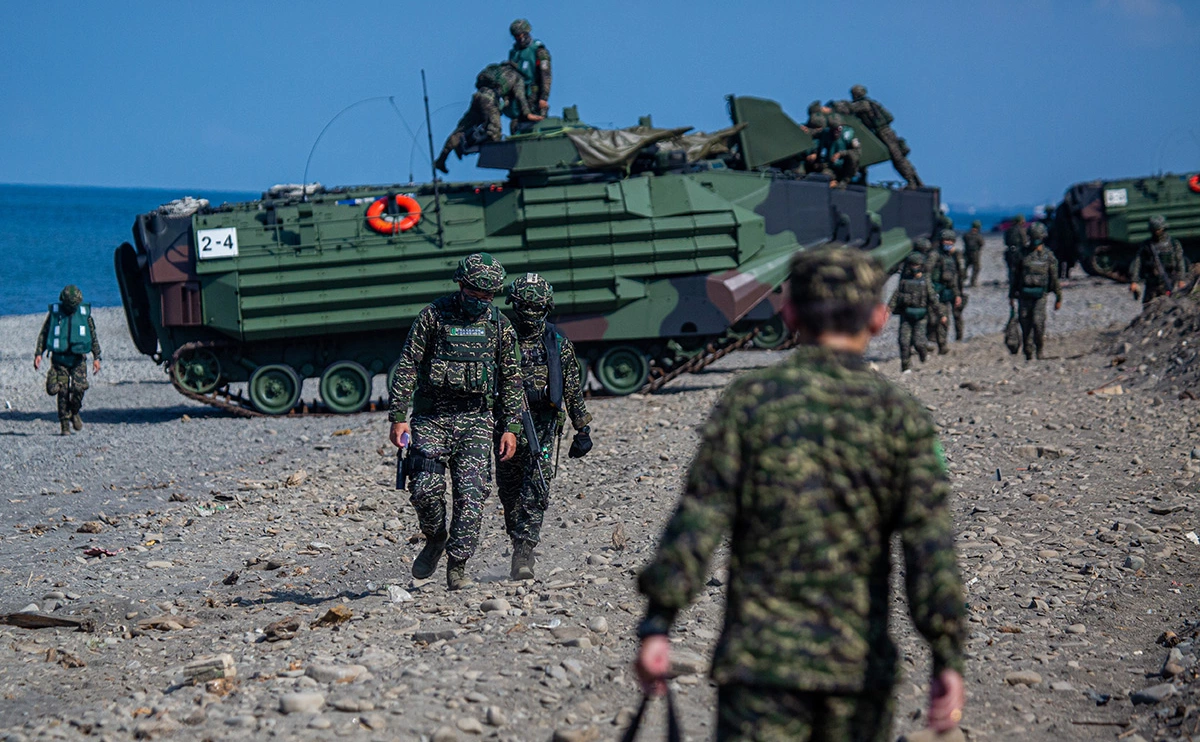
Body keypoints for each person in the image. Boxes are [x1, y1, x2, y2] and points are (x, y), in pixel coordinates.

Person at [635, 246, 966, 742]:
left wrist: (658, 623)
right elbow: (930, 543)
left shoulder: (749, 403)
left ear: (788, 313)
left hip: (759, 668)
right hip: (856, 669)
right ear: (878, 318)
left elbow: (700, 517)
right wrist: (947, 657)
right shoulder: (901, 416)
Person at [388, 253, 524, 590]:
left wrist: (511, 427)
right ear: (461, 285)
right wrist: (397, 417)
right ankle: (435, 538)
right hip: (432, 417)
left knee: (471, 495)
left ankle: (457, 565)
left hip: (476, 420)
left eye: (487, 297)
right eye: (475, 294)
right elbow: (407, 364)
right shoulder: (433, 317)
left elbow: (511, 378)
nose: (480, 302)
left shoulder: (499, 326)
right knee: (424, 490)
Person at [497, 273, 593, 579]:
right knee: (510, 490)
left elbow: (572, 388)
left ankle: (524, 552)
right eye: (525, 307)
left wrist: (582, 428)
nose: (530, 314)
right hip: (507, 425)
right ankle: (517, 538)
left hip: (545, 422)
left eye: (535, 307)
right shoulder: (501, 339)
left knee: (537, 486)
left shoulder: (557, 344)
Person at [434, 62, 543, 174]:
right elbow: (520, 97)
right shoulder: (516, 76)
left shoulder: (496, 70)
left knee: (461, 129)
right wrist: (528, 114)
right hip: (490, 101)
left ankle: (441, 159)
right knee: (495, 132)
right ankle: (496, 159)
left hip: (478, 97)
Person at [34, 285, 101, 436]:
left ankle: (74, 411)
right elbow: (45, 333)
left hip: (78, 359)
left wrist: (96, 357)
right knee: (62, 391)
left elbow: (92, 336)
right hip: (60, 360)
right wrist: (39, 353)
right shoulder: (55, 315)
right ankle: (64, 423)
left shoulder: (84, 315)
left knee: (79, 388)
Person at [830, 84, 922, 188]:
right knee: (897, 158)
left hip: (884, 133)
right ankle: (915, 181)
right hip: (880, 133)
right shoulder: (867, 103)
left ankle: (913, 182)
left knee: (897, 158)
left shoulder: (864, 104)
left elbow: (848, 108)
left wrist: (835, 106)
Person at [1009, 223, 1062, 360]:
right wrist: (1011, 295)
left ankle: (1040, 349)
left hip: (1040, 295)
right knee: (1025, 323)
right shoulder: (1022, 254)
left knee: (1038, 323)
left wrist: (1058, 297)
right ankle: (1028, 351)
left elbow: (1054, 278)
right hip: (1024, 295)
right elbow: (1015, 276)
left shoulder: (1048, 256)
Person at [888, 252, 940, 371]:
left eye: (917, 265)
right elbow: (896, 295)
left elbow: (932, 298)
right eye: (912, 265)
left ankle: (923, 356)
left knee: (919, 342)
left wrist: (940, 315)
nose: (914, 268)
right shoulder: (905, 280)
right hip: (906, 316)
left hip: (921, 316)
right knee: (904, 342)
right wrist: (888, 309)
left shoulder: (925, 281)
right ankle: (905, 367)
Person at [1129, 215, 1188, 304]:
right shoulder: (1146, 246)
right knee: (1148, 307)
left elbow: (1180, 262)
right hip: (1152, 283)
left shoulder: (1173, 244)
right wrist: (1134, 281)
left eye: (1159, 229)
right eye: (1155, 230)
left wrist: (1181, 279)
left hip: (1170, 281)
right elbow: (1138, 262)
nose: (1157, 232)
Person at [506, 19, 552, 127]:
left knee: (535, 125)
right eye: (516, 36)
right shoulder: (514, 53)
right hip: (518, 97)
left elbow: (546, 76)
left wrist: (544, 98)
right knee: (516, 126)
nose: (520, 38)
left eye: (521, 35)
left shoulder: (538, 50)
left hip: (533, 95)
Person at [930, 230, 966, 350]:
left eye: (950, 241)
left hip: (953, 288)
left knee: (957, 314)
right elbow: (928, 271)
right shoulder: (935, 255)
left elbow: (960, 274)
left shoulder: (956, 255)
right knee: (943, 317)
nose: (948, 243)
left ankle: (959, 337)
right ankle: (942, 344)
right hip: (939, 289)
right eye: (946, 241)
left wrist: (958, 294)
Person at [1003, 214, 1029, 285]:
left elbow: (1006, 241)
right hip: (1019, 251)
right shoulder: (1021, 230)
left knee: (1011, 267)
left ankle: (1012, 280)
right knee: (1020, 267)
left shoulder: (1009, 230)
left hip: (1010, 251)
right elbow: (1024, 241)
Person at [963, 220, 985, 287]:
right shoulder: (978, 236)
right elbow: (982, 243)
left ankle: (961, 280)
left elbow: (964, 240)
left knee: (964, 267)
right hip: (975, 254)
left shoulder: (966, 235)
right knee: (976, 268)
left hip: (966, 253)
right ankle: (973, 282)